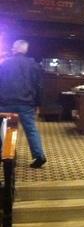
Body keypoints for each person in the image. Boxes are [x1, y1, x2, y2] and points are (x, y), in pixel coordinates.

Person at [0, 40, 46, 168]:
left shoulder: (4, 63)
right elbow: (39, 86)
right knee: (31, 129)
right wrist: (38, 104)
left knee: (6, 129)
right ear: (25, 50)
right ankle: (39, 156)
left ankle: (6, 155)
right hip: (27, 102)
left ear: (14, 49)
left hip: (6, 102)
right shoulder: (33, 64)